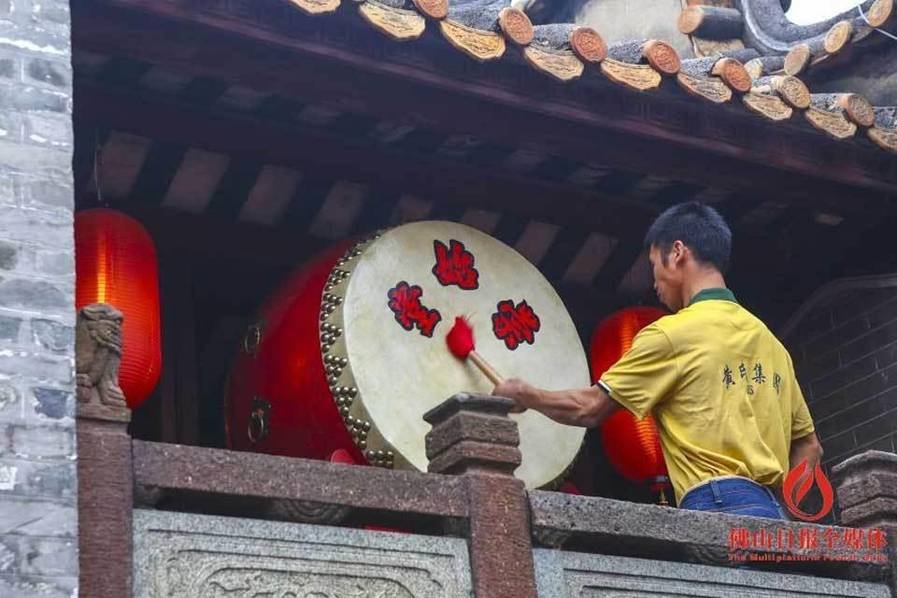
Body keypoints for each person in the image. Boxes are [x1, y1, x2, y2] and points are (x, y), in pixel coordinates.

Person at [493, 202, 823, 519]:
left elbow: (590, 407)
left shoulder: (672, 334)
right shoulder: (771, 343)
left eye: (654, 265)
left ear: (677, 253)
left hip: (714, 501)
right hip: (772, 512)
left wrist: (526, 394)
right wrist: (781, 507)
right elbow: (810, 447)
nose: (654, 283)